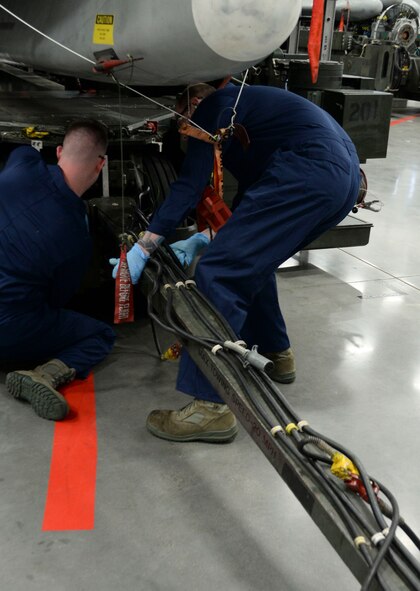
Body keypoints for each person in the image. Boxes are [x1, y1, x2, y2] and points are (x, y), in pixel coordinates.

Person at [110, 83, 361, 443]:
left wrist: (145, 247)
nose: (185, 129)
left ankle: (210, 407)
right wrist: (208, 237)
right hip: (339, 181)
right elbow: (251, 200)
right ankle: (277, 350)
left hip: (309, 171)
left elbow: (190, 184)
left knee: (219, 271)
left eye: (183, 119)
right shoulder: (254, 109)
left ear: (194, 101)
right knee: (252, 261)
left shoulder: (212, 106)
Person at [0, 119, 116, 421]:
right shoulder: (76, 238)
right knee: (100, 334)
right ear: (100, 165)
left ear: (60, 150)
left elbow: (20, 153)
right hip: (7, 326)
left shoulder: (24, 163)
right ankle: (44, 375)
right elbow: (57, 299)